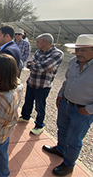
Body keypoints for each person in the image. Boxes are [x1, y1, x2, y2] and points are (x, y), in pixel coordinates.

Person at [42, 34, 93, 176]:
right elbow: (67, 81)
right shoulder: (73, 62)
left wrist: (88, 110)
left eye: (83, 50)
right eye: (77, 50)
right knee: (62, 129)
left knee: (74, 139)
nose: (79, 53)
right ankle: (60, 149)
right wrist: (60, 95)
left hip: (82, 110)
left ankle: (68, 164)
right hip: (66, 104)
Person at [19, 33, 64, 135]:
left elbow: (42, 67)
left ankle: (39, 125)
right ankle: (25, 117)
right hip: (31, 82)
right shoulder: (39, 52)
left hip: (42, 86)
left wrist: (37, 66)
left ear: (45, 42)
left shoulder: (57, 53)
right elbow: (29, 63)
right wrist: (39, 67)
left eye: (38, 41)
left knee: (40, 107)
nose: (36, 43)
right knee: (28, 102)